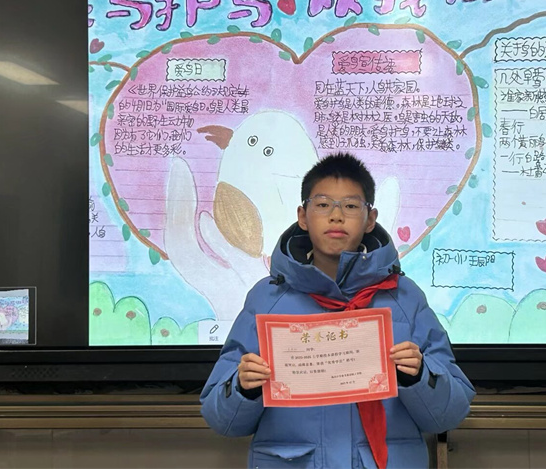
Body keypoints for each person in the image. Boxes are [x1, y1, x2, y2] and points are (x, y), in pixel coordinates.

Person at [200, 152, 475, 468]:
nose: (336, 216)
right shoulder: (266, 300)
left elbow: (449, 415)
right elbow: (222, 421)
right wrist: (242, 388)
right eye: (322, 204)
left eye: (351, 206)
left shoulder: (405, 297)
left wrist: (419, 376)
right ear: (303, 216)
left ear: (370, 219)